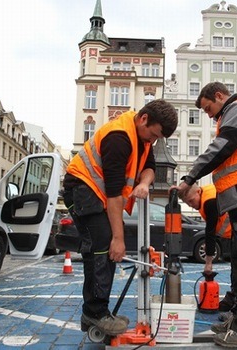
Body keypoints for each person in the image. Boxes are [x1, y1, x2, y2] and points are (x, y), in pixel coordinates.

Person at [172, 82, 237, 347]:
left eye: (209, 108)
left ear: (219, 96)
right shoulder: (234, 112)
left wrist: (190, 177)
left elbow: (223, 146)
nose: (209, 115)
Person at [62, 99, 177, 336]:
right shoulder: (119, 138)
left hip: (98, 193)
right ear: (144, 118)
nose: (152, 142)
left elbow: (150, 166)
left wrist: (144, 183)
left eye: (156, 139)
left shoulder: (142, 138)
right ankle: (95, 312)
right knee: (103, 244)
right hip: (81, 189)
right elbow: (115, 194)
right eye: (152, 136)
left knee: (104, 246)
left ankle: (96, 312)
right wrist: (119, 238)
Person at [178, 183, 236, 313]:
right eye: (188, 203)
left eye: (191, 201)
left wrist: (208, 263)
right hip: (234, 233)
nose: (191, 205)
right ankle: (234, 300)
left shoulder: (209, 201)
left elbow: (210, 233)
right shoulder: (206, 195)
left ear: (198, 192)